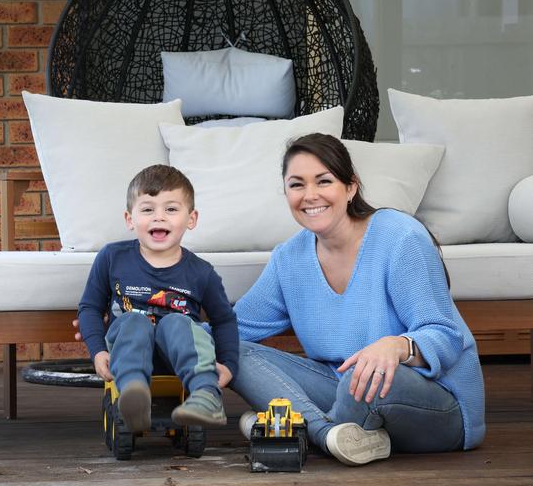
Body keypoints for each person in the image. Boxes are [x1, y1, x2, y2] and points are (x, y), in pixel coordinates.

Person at [231, 133, 485, 466]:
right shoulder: (288, 259)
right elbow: (231, 331)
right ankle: (328, 433)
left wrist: (397, 346)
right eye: (296, 185)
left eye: (324, 181)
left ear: (351, 187)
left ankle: (297, 426)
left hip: (436, 404)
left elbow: (446, 335)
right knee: (232, 350)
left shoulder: (400, 236)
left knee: (363, 375)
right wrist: (166, 329)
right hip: (347, 391)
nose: (310, 196)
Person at [77, 164, 239, 433]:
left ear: (192, 218)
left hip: (178, 357)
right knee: (133, 322)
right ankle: (134, 396)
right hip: (126, 356)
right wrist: (98, 351)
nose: (159, 217)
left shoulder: (201, 273)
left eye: (171, 209)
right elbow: (89, 308)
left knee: (178, 323)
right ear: (130, 219)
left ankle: (206, 394)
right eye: (148, 209)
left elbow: (224, 320)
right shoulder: (112, 258)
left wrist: (228, 363)